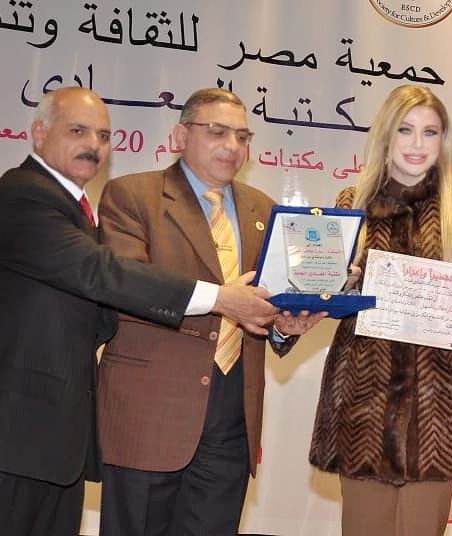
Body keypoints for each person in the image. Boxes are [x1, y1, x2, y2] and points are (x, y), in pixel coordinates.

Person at [0, 87, 280, 536]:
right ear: (39, 133)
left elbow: (102, 310)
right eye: (78, 131)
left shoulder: (75, 214)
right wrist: (221, 299)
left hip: (51, 447)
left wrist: (282, 312)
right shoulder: (23, 195)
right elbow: (102, 273)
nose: (93, 145)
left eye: (103, 136)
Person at [95, 87, 325, 536]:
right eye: (217, 132)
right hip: (150, 415)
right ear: (181, 136)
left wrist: (283, 326)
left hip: (231, 418)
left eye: (242, 136)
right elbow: (128, 285)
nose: (232, 146)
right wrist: (221, 299)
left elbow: (266, 300)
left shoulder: (262, 208)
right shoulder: (132, 195)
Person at [308, 84, 452, 536]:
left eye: (430, 132)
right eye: (405, 130)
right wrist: (343, 284)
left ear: (443, 140)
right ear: (385, 134)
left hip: (442, 403)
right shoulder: (350, 203)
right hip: (362, 403)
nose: (418, 144)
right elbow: (328, 299)